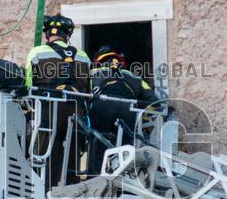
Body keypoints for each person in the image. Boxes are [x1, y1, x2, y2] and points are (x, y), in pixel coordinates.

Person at [24, 14, 91, 187]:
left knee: (47, 159)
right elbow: (88, 90)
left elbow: (29, 86)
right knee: (72, 162)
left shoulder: (37, 52)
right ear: (67, 35)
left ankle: (46, 198)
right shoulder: (83, 56)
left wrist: (30, 110)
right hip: (76, 113)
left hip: (48, 112)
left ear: (47, 35)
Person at [87, 45, 160, 172]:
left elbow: (81, 96)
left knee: (97, 144)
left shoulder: (92, 74)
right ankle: (126, 181)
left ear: (98, 62)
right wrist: (144, 118)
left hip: (102, 107)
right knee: (126, 149)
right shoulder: (134, 77)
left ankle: (95, 179)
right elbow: (153, 102)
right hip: (128, 110)